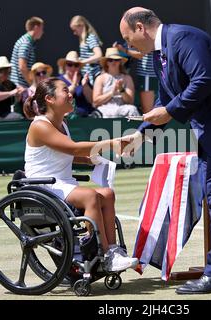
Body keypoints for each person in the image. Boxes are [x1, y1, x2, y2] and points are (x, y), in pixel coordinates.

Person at [119, 7, 211, 294]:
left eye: (128, 38)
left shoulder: (183, 37)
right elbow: (166, 98)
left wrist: (170, 111)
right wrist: (140, 135)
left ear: (140, 27)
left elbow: (204, 80)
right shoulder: (162, 52)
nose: (129, 46)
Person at [22, 77, 138, 272]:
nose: (70, 95)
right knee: (90, 195)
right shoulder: (39, 125)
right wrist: (113, 143)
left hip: (60, 184)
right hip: (42, 187)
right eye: (65, 91)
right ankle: (95, 251)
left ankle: (112, 251)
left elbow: (65, 154)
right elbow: (74, 149)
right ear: (50, 98)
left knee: (107, 194)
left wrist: (88, 160)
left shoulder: (62, 124)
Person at [92, 47, 140, 118]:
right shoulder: (100, 78)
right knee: (97, 114)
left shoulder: (127, 78)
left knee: (132, 109)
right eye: (110, 60)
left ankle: (136, 129)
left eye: (116, 60)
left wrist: (121, 90)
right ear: (106, 62)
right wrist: (112, 93)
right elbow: (95, 102)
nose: (114, 62)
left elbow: (130, 101)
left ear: (120, 62)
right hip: (105, 109)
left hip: (122, 108)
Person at [113, 41, 157, 114]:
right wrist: (120, 50)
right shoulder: (134, 38)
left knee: (158, 108)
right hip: (148, 75)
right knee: (148, 111)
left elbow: (141, 54)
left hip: (157, 74)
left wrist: (123, 50)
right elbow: (140, 54)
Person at [57, 51, 96, 117]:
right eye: (70, 64)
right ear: (65, 66)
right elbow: (60, 100)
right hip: (66, 118)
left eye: (76, 65)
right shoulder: (59, 80)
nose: (73, 68)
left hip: (85, 116)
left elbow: (92, 101)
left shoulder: (84, 80)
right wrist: (74, 84)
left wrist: (85, 85)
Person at [10, 17, 44, 88]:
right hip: (20, 87)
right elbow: (22, 66)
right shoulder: (26, 43)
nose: (42, 32)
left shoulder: (26, 41)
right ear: (36, 27)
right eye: (42, 29)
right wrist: (32, 84)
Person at [70, 16, 103, 86]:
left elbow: (99, 55)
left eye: (75, 30)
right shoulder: (83, 39)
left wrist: (82, 62)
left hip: (93, 75)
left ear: (81, 25)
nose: (74, 33)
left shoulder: (90, 38)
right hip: (87, 76)